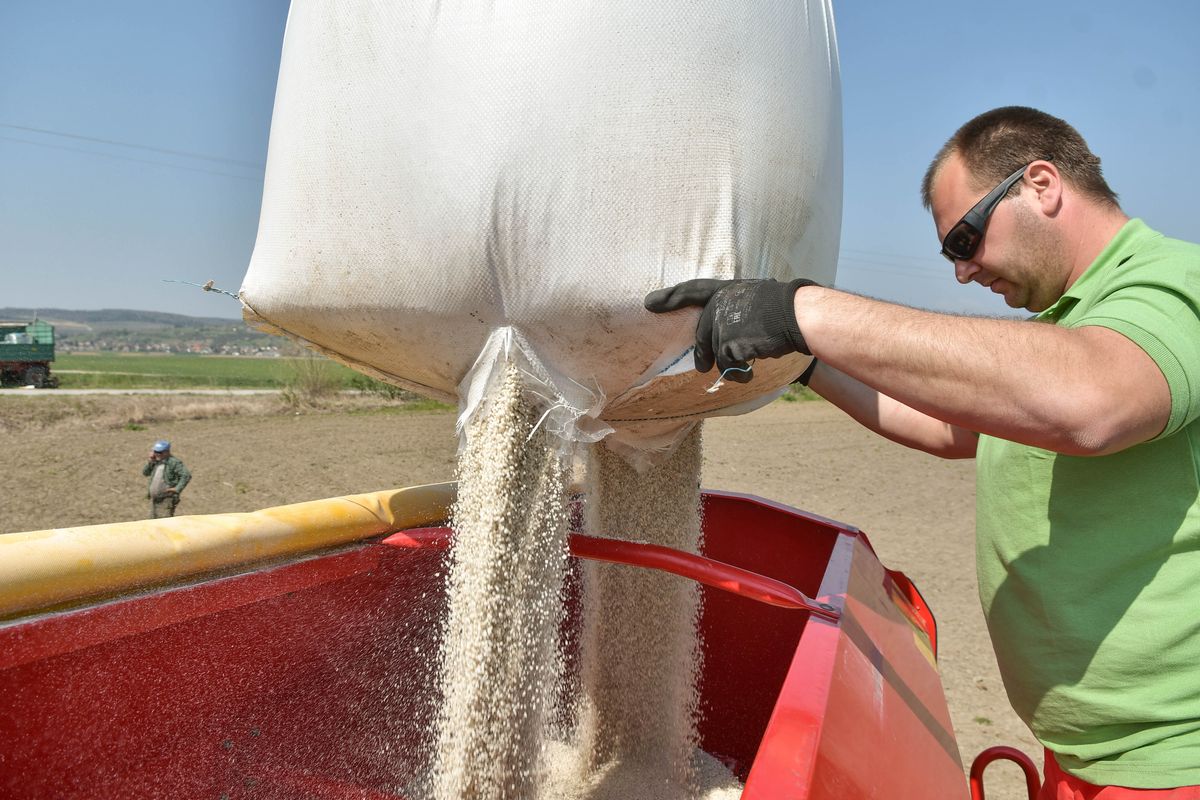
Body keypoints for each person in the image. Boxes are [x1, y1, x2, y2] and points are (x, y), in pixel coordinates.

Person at [645, 106, 1200, 797]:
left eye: (966, 238)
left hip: (1174, 764)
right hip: (1086, 758)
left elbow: (1093, 401)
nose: (964, 271)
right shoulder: (1069, 323)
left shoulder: (1173, 284)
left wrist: (802, 309)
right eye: (951, 252)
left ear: (1041, 184)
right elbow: (949, 427)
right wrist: (803, 359)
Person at [142, 439, 191, 519]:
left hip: (166, 499)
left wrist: (177, 488)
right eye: (155, 452)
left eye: (160, 452)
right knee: (152, 523)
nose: (157, 454)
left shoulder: (174, 462)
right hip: (155, 499)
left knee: (164, 522)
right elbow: (145, 473)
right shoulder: (156, 461)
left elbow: (186, 475)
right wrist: (150, 461)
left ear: (167, 452)